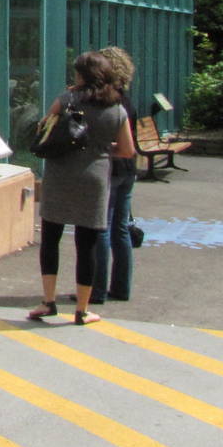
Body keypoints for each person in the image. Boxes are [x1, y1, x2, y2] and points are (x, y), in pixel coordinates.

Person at [28, 50, 136, 325]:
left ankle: (48, 302)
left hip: (60, 175)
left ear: (81, 75)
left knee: (50, 239)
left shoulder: (66, 100)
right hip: (95, 179)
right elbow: (127, 150)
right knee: (86, 245)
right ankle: (83, 310)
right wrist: (102, 148)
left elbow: (44, 129)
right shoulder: (117, 108)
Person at [90, 45, 139, 305]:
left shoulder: (109, 102)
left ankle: (95, 290)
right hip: (129, 170)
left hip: (111, 169)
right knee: (120, 229)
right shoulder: (127, 100)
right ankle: (121, 288)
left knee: (102, 229)